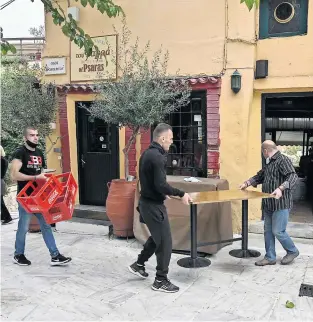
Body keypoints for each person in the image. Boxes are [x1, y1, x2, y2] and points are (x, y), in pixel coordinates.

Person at [128, 123, 192, 293]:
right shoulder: (158, 157)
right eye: (170, 139)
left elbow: (151, 182)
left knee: (158, 237)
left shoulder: (147, 153)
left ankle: (139, 264)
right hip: (152, 207)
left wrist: (162, 193)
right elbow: (161, 184)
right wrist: (181, 193)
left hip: (147, 203)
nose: (171, 142)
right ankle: (160, 280)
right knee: (165, 243)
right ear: (162, 138)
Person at [10, 126, 71, 266]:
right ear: (25, 137)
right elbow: (14, 175)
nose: (35, 137)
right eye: (32, 135)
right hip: (25, 198)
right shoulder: (20, 153)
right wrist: (36, 177)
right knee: (23, 227)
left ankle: (55, 255)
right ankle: (18, 255)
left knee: (46, 225)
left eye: (37, 135)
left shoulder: (39, 153)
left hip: (38, 198)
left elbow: (40, 171)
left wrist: (46, 177)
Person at [239, 140, 299, 266]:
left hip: (281, 203)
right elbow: (260, 176)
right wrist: (247, 183)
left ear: (265, 150)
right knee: (268, 231)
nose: (262, 154)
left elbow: (293, 176)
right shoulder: (270, 163)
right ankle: (270, 257)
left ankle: (292, 251)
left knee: (278, 231)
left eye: (262, 151)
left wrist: (280, 188)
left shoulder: (283, 160)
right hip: (268, 204)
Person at [1, 145, 13, 225]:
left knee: (0, 201)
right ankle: (3, 217)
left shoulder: (2, 161)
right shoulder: (3, 160)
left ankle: (8, 218)